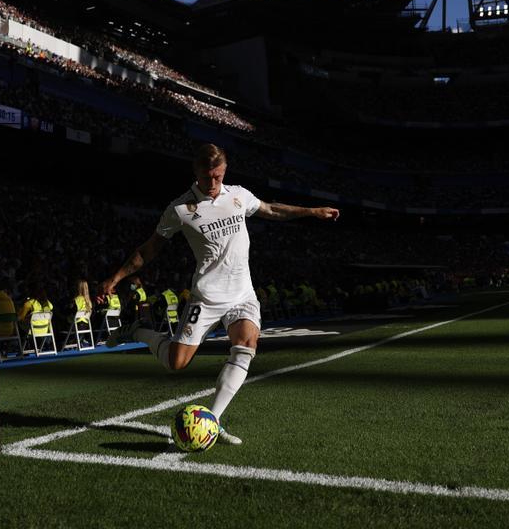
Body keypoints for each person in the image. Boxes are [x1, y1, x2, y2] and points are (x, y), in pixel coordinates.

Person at [99, 144, 338, 439]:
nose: (212, 183)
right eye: (206, 177)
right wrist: (116, 277)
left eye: (218, 176)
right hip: (207, 296)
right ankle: (137, 331)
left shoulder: (238, 195)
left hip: (242, 294)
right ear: (196, 172)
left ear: (224, 171)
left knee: (246, 345)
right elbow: (149, 250)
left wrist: (311, 211)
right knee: (176, 362)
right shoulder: (180, 209)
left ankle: (213, 420)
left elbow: (272, 209)